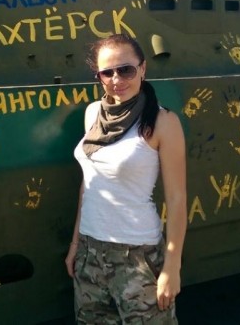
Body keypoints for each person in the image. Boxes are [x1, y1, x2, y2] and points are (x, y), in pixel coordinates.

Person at [64, 34, 187, 323]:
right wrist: (75, 245)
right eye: (107, 73)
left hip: (137, 257)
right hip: (90, 253)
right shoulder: (93, 113)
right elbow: (88, 186)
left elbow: (177, 199)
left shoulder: (162, 122)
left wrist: (172, 266)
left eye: (126, 70)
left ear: (143, 69)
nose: (116, 79)